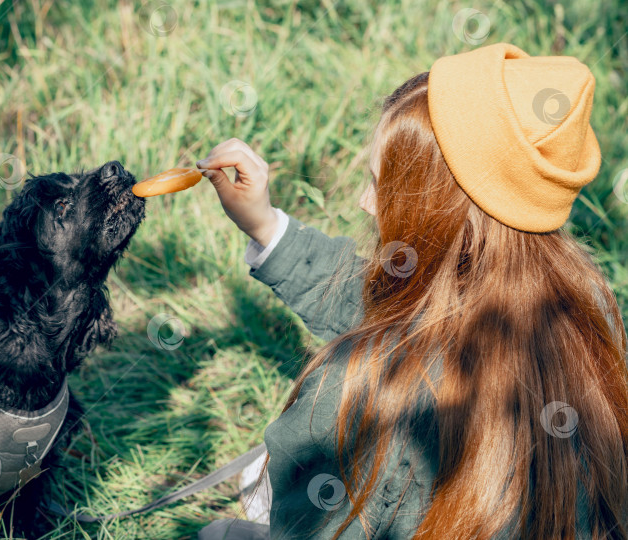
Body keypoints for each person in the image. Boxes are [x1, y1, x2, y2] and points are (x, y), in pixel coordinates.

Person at [195, 43, 628, 539]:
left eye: (381, 184)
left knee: (219, 533)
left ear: (441, 215)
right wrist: (269, 228)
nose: (363, 202)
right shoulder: (586, 308)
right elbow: (394, 306)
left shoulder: (354, 393)